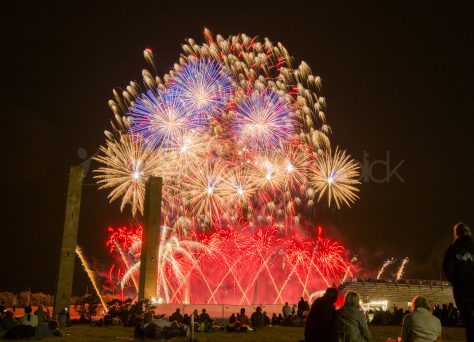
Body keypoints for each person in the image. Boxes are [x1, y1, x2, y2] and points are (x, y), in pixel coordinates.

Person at [443, 221, 474, 341]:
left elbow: (447, 268)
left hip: (463, 290)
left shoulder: (453, 249)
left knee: (469, 323)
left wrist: (456, 281)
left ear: (456, 233)